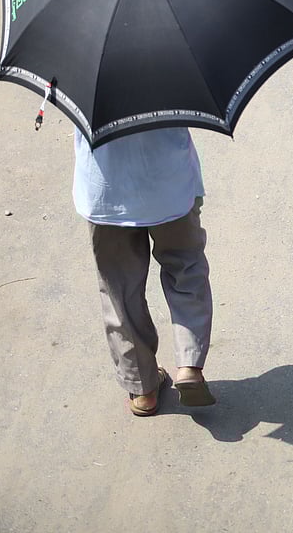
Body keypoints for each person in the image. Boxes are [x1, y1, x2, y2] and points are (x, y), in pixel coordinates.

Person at [73, 126, 217, 416]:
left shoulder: (83, 80)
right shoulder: (174, 76)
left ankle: (142, 389)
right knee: (186, 268)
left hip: (106, 192)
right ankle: (189, 364)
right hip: (170, 183)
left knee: (119, 285)